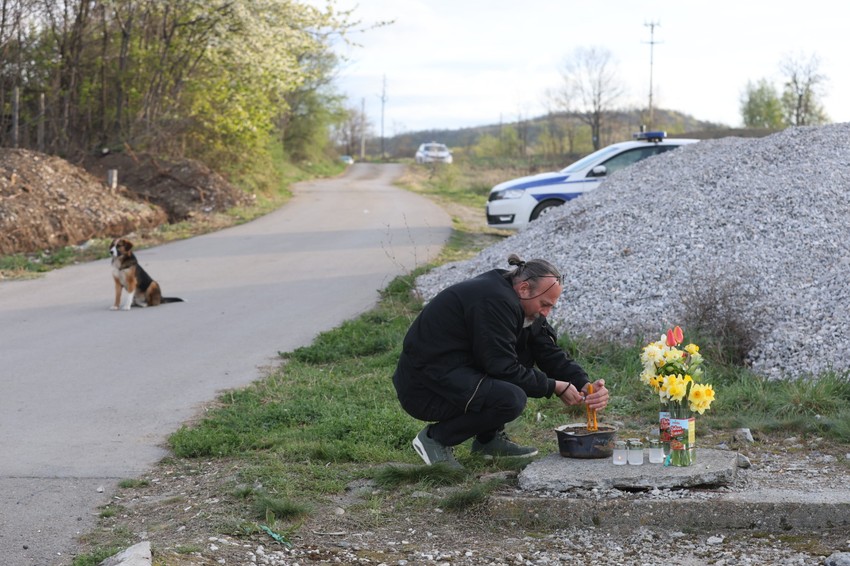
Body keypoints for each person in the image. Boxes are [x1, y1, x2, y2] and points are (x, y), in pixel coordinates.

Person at [392, 254, 609, 468]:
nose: (546, 313)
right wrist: (554, 386)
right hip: (424, 389)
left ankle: (489, 441)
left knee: (522, 358)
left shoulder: (520, 301)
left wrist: (584, 383)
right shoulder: (493, 301)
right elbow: (502, 367)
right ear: (524, 288)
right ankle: (435, 439)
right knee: (510, 398)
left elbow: (548, 351)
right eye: (544, 304)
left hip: (455, 373)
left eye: (551, 306)